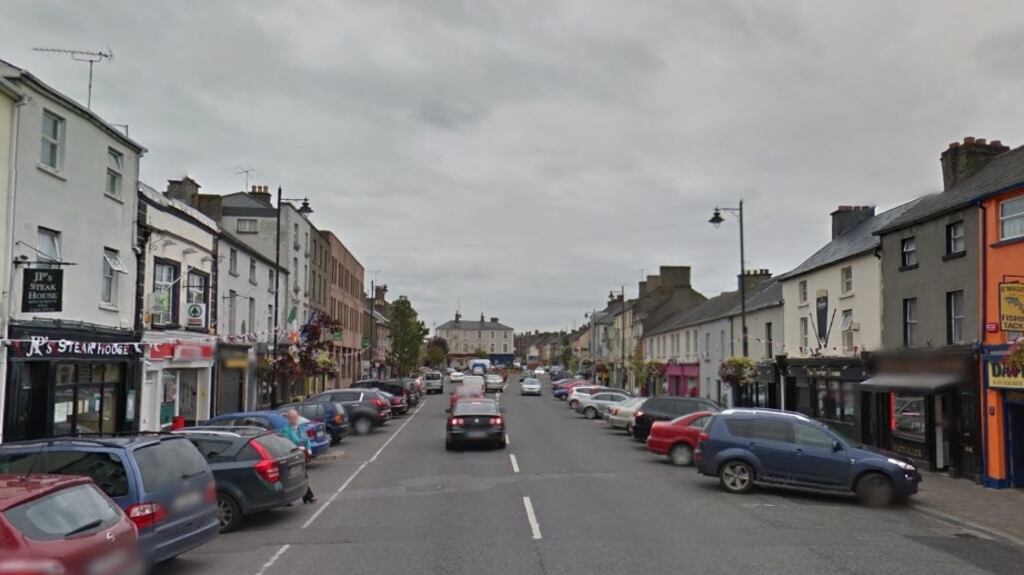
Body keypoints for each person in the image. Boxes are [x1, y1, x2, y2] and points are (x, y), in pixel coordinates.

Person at [281, 408, 317, 504]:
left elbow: (306, 440)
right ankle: (307, 496)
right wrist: (297, 448)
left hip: (302, 457)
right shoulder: (285, 431)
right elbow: (286, 445)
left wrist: (308, 448)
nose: (294, 419)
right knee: (298, 476)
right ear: (288, 419)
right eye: (292, 417)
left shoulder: (300, 428)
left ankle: (306, 496)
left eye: (295, 417)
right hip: (292, 457)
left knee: (301, 476)